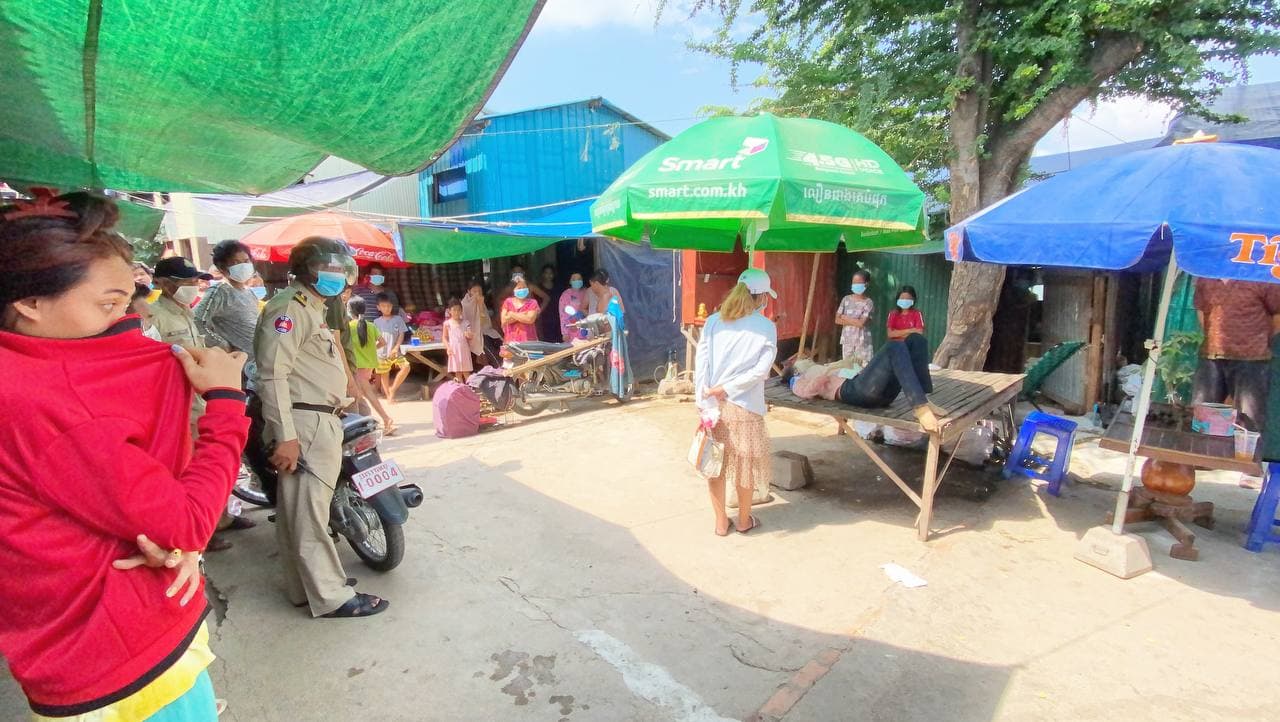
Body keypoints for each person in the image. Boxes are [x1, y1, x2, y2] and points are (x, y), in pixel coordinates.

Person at [0, 190, 249, 720]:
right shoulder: (48, 400)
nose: (126, 322)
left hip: (92, 643)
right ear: (30, 304)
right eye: (107, 304)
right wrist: (227, 403)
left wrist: (169, 539)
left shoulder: (26, 371)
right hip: (121, 665)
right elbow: (186, 522)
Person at [254, 236, 388, 618]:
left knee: (297, 511)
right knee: (310, 514)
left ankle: (306, 588)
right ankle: (331, 597)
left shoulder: (312, 308)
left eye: (341, 269)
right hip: (305, 423)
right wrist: (286, 436)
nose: (338, 275)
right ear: (308, 270)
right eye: (329, 268)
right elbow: (273, 374)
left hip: (315, 418)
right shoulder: (290, 309)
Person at [695, 268, 779, 537]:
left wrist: (703, 400)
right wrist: (727, 389)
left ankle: (721, 523)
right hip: (746, 407)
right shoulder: (766, 327)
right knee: (745, 467)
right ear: (762, 296)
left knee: (714, 466)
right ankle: (744, 520)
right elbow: (760, 372)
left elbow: (701, 364)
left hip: (714, 408)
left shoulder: (713, 322)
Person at [787, 333, 942, 431]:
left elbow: (846, 366)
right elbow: (806, 392)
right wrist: (821, 377)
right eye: (800, 363)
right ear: (796, 370)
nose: (805, 361)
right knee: (893, 346)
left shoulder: (822, 367)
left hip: (876, 392)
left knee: (916, 339)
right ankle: (920, 407)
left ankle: (923, 399)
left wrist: (838, 368)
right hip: (853, 392)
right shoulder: (799, 379)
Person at [1192, 277, 1280, 433]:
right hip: (1212, 356)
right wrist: (1214, 338)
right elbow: (1201, 310)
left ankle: (1244, 450)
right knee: (1203, 420)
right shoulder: (1206, 276)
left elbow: (1278, 314)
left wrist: (1260, 340)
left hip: (1252, 359)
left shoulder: (1260, 277)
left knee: (1249, 423)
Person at [195, 239, 261, 382]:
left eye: (246, 261)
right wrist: (222, 345)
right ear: (222, 267)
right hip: (239, 369)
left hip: (257, 365)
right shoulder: (219, 291)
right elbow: (197, 320)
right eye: (236, 263)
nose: (243, 266)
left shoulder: (249, 293)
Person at [347, 297, 395, 434]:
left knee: (367, 394)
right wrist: (371, 349)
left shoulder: (349, 327)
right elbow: (383, 342)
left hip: (357, 366)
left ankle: (386, 419)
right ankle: (368, 422)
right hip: (369, 365)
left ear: (350, 310)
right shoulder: (370, 325)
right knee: (361, 395)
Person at [374, 292, 412, 402]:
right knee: (384, 374)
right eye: (383, 306)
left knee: (406, 367)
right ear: (378, 307)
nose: (386, 308)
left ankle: (393, 389)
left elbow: (401, 334)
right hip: (381, 353)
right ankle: (389, 396)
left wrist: (396, 347)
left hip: (395, 352)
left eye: (389, 306)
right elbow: (375, 338)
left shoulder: (398, 319)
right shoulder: (376, 322)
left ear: (392, 306)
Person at [836, 270, 874, 364]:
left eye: (859, 283)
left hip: (862, 342)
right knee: (847, 367)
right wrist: (856, 321)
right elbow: (837, 320)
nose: (856, 285)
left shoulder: (868, 302)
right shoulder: (846, 299)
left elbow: (861, 323)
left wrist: (844, 317)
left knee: (863, 367)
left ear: (866, 284)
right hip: (847, 340)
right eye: (854, 283)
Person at [463, 277, 502, 367]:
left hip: (486, 331)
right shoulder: (465, 305)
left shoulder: (481, 302)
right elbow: (476, 324)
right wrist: (480, 306)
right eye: (475, 291)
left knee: (502, 345)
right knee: (489, 347)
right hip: (475, 335)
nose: (477, 294)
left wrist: (480, 305)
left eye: (479, 291)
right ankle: (499, 367)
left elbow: (485, 323)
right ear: (469, 291)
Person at [501, 276, 541, 343]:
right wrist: (523, 315)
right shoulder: (508, 302)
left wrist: (511, 314)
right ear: (513, 290)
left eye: (524, 287)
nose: (522, 290)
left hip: (529, 341)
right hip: (510, 342)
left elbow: (530, 319)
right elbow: (504, 320)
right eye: (519, 288)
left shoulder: (532, 302)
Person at [443, 300, 475, 382]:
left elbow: (470, 335)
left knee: (466, 373)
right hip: (454, 351)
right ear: (449, 311)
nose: (456, 312)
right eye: (454, 310)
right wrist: (448, 347)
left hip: (464, 350)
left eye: (459, 310)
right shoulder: (447, 324)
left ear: (461, 311)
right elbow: (444, 337)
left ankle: (470, 388)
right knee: (458, 374)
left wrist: (469, 335)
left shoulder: (466, 323)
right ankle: (461, 388)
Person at [536, 264, 564, 342]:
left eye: (551, 273)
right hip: (544, 318)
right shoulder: (538, 288)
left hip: (557, 317)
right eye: (546, 273)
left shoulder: (558, 287)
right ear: (543, 274)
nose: (548, 275)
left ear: (554, 274)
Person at [559, 272, 589, 341]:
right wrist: (565, 332)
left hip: (586, 326)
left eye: (579, 279)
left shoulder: (587, 292)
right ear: (570, 281)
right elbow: (562, 314)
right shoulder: (566, 295)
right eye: (574, 279)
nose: (577, 281)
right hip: (572, 328)